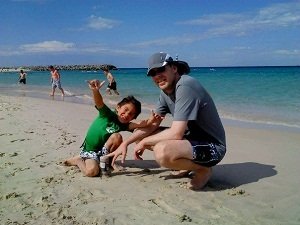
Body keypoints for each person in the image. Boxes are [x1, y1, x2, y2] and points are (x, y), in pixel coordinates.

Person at [107, 52, 226, 190]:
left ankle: (203, 169)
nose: (157, 76)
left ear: (174, 68)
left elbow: (176, 133)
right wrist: (126, 143)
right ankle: (185, 166)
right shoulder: (165, 93)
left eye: (161, 69)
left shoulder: (186, 85)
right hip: (191, 141)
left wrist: (145, 142)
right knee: (141, 135)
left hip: (213, 147)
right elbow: (152, 125)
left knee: (162, 152)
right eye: (153, 73)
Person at [63, 79, 158, 177]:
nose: (126, 115)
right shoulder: (107, 114)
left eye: (130, 114)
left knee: (117, 137)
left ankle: (108, 161)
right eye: (125, 110)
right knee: (92, 172)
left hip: (104, 152)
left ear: (133, 117)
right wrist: (95, 91)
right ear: (118, 107)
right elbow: (99, 102)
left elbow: (139, 124)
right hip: (90, 151)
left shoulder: (124, 125)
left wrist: (151, 120)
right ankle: (79, 160)